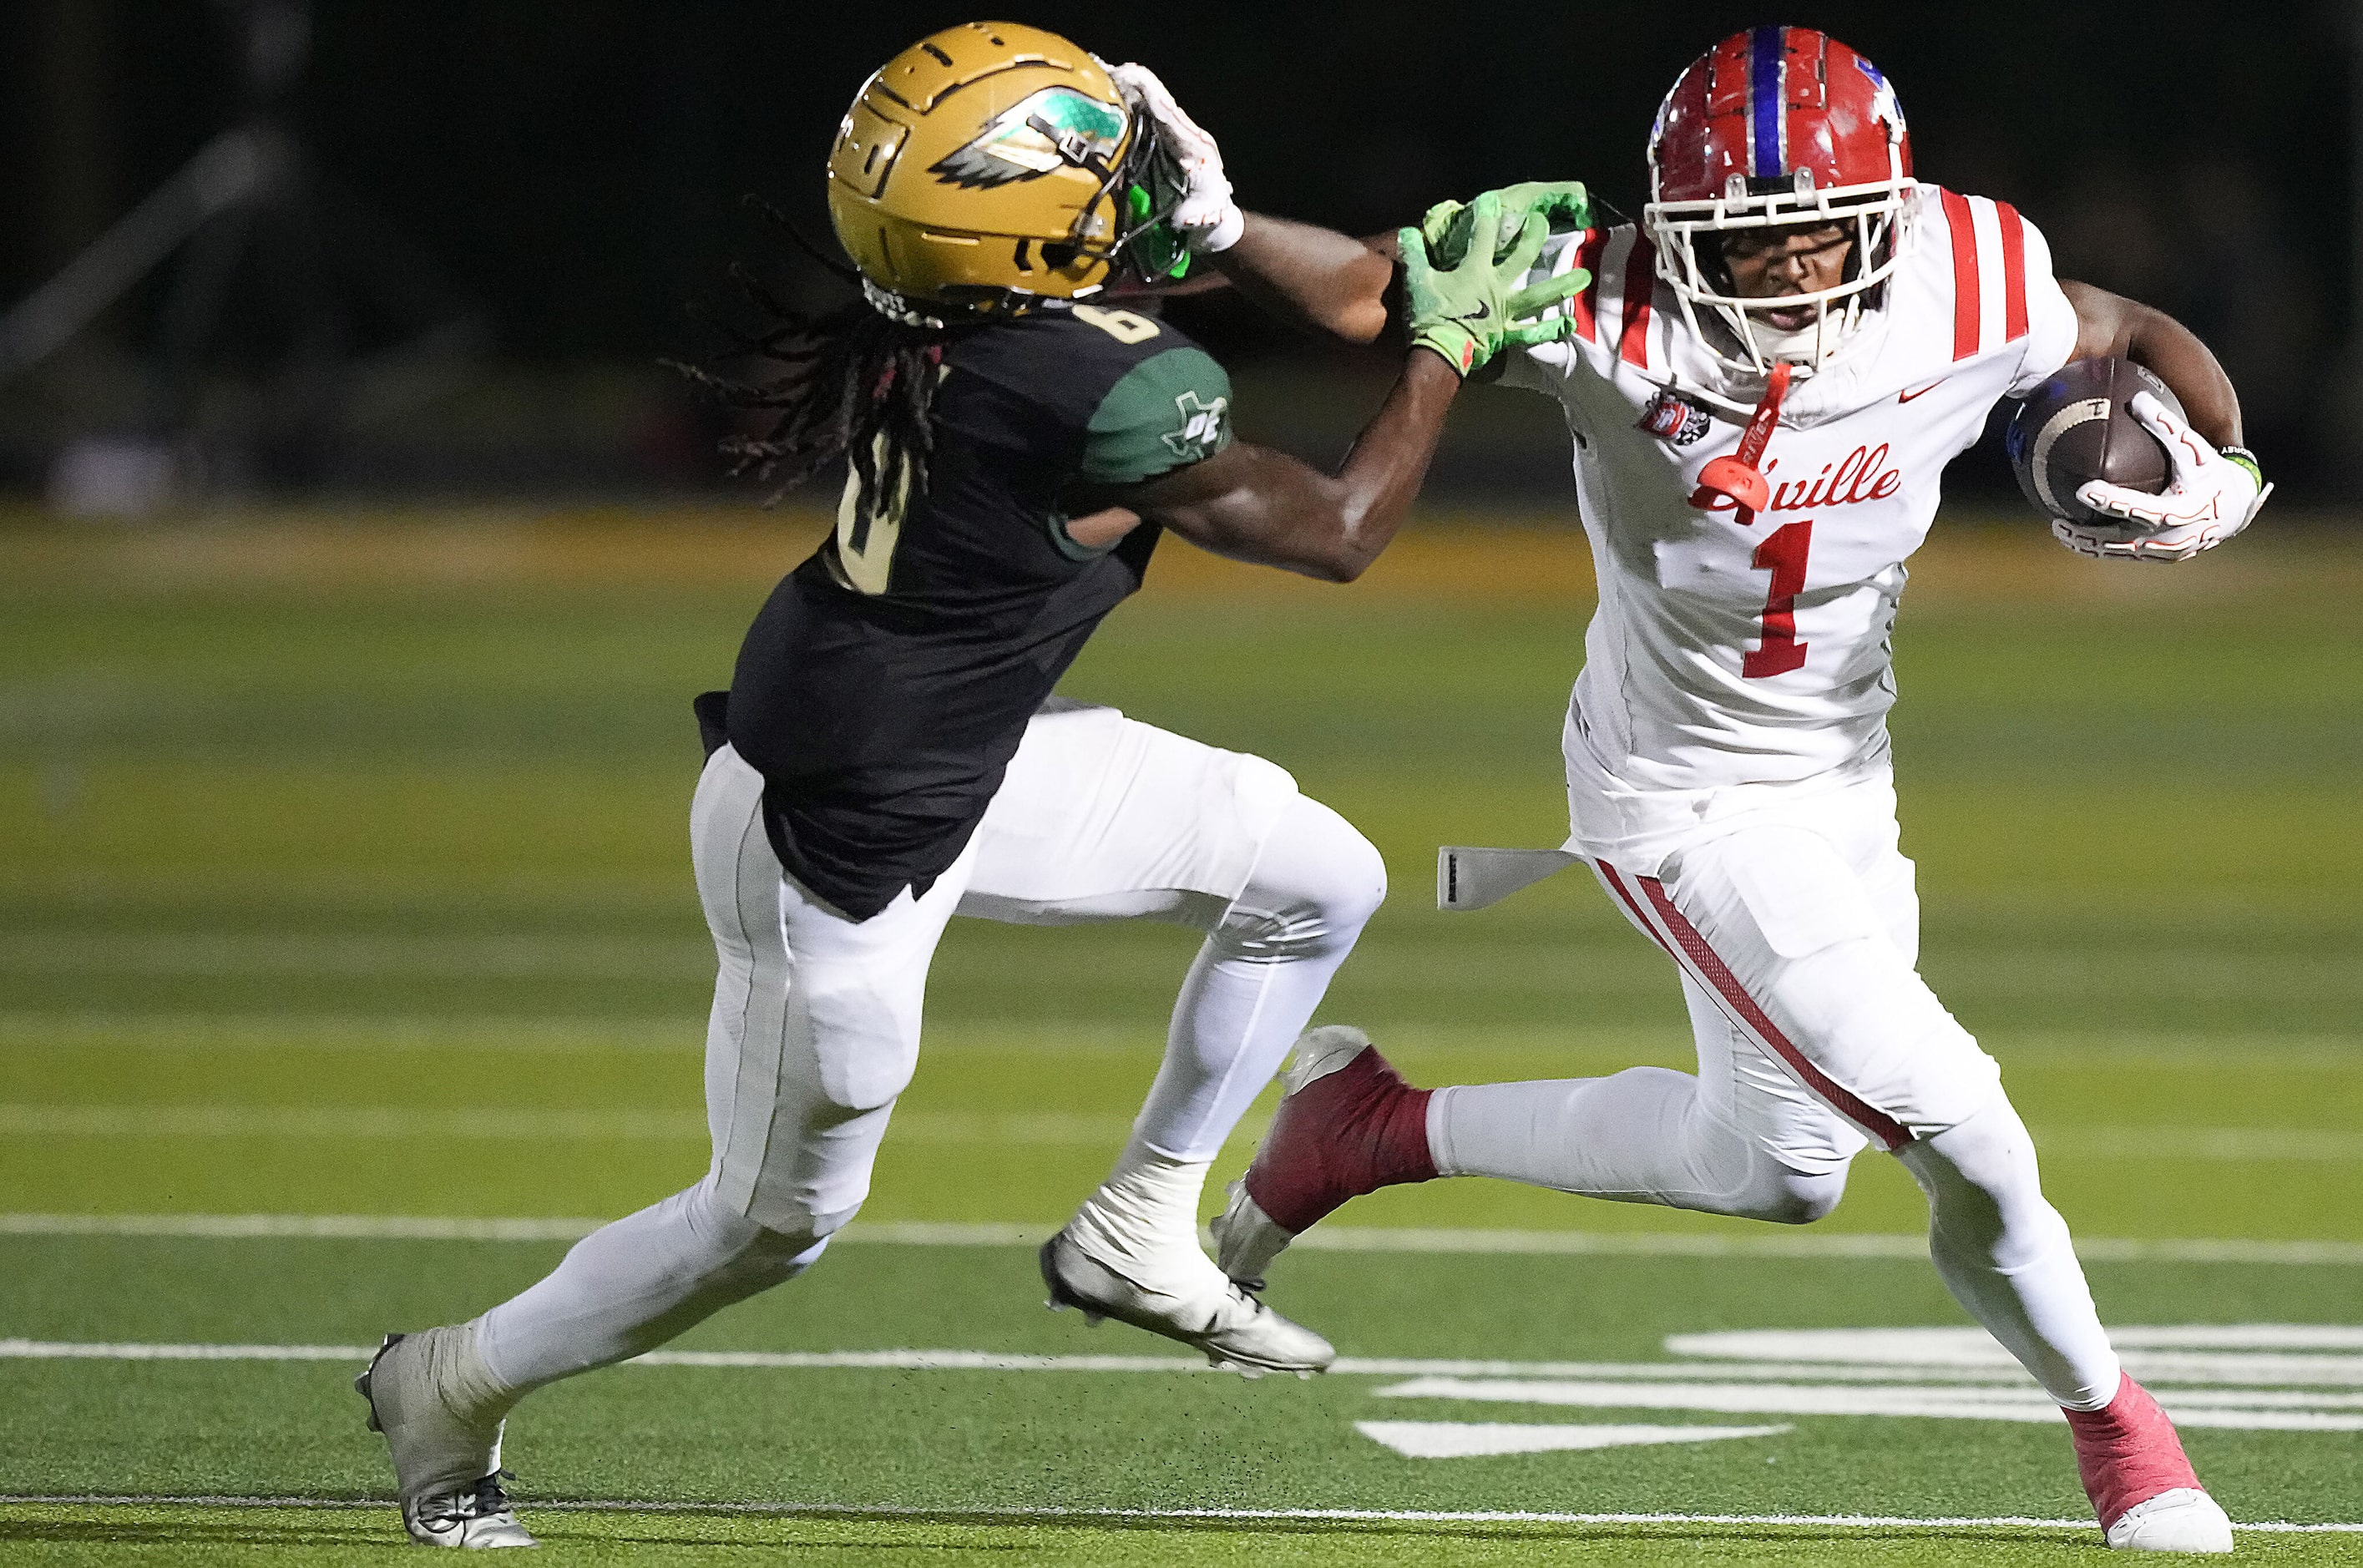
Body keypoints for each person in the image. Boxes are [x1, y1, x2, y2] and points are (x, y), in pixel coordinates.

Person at [351, 22, 1584, 1549]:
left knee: (1317, 871)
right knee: (770, 1226)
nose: (1127, 170)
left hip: (954, 756)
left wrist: (1218, 223)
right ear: (1025, 224)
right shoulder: (1084, 375)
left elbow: (1342, 293)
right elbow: (1336, 525)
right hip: (836, 832)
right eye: (1097, 160)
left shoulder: (973, 306)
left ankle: (1143, 1221)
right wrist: (1446, 353)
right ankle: (449, 1385)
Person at [1182, 27, 2267, 1555]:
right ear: (1673, 229)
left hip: (1842, 775)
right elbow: (1371, 291)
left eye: (1818, 227)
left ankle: (1366, 1127)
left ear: (1888, 207)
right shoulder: (1599, 292)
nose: (1785, 270)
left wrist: (2215, 463)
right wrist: (1213, 235)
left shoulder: (1970, 266)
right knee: (1960, 1119)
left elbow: (2121, 328)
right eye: (1743, 240)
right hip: (1677, 798)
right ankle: (2126, 1443)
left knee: (1773, 1170)